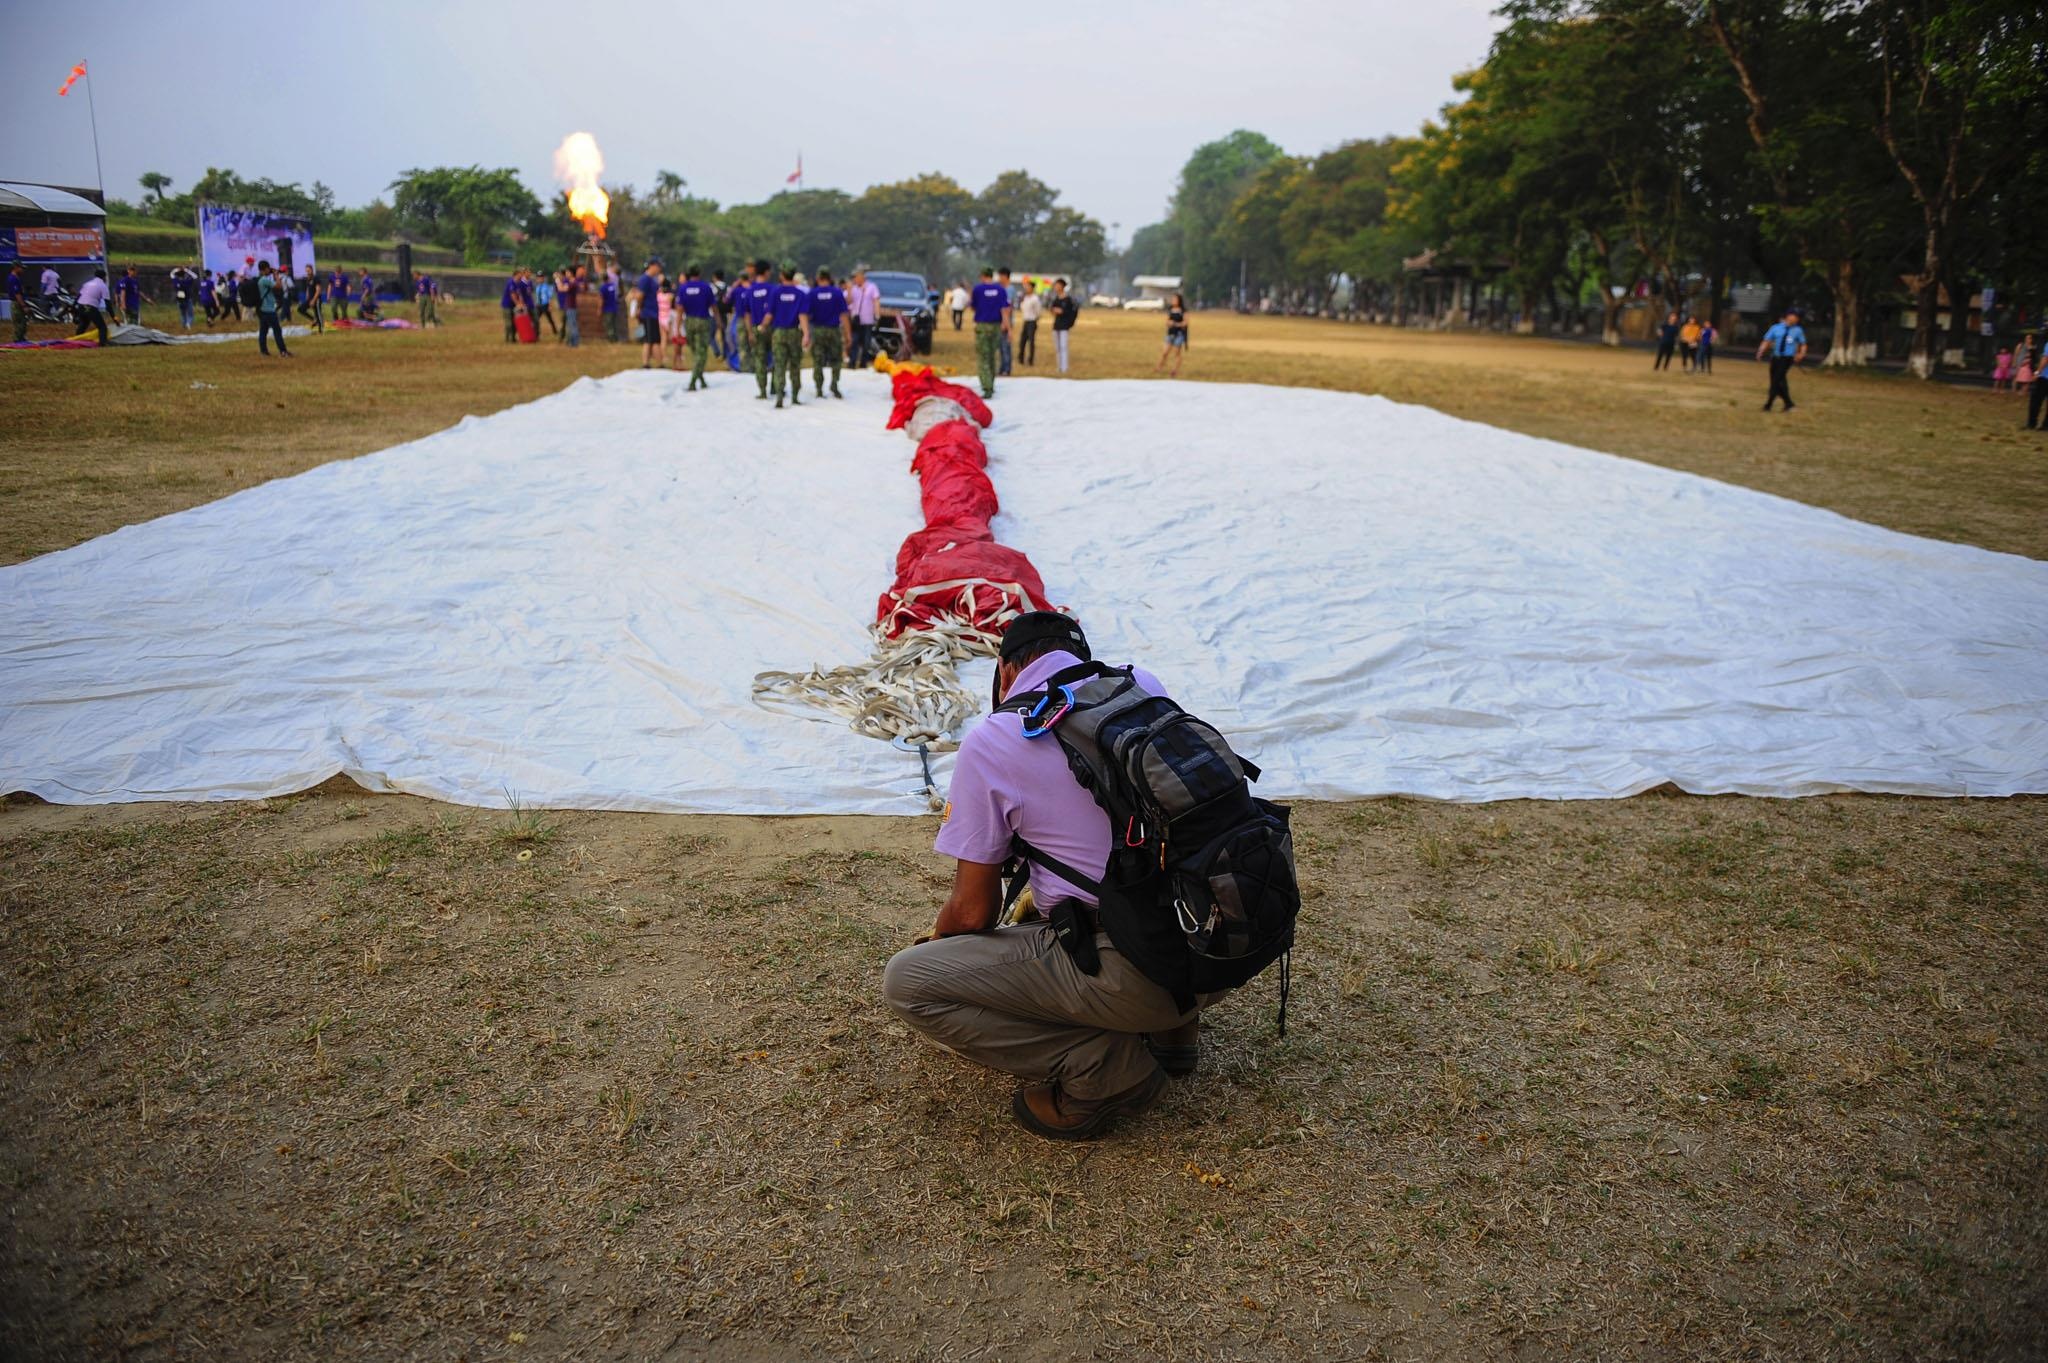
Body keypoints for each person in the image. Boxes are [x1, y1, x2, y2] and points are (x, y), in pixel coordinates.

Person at [882, 613, 1200, 1140]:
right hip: (1218, 941)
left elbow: (973, 912)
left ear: (1005, 673)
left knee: (910, 983)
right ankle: (1175, 1033)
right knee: (1131, 882)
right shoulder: (1142, 687)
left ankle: (1103, 1067)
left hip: (1136, 967)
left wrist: (939, 945)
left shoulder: (996, 739)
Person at [766, 263, 812, 408]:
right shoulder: (800, 294)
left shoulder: (775, 292)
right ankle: (795, 397)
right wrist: (806, 334)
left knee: (779, 365)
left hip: (779, 332)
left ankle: (779, 396)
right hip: (794, 333)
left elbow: (769, 314)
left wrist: (762, 326)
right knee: (795, 365)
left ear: (781, 275)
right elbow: (802, 315)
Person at [807, 266, 851, 398]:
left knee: (818, 360)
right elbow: (844, 315)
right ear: (829, 278)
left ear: (818, 278)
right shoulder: (837, 293)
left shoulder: (812, 293)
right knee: (836, 359)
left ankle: (819, 389)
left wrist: (806, 333)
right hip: (833, 330)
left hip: (818, 330)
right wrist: (848, 334)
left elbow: (807, 315)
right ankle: (834, 385)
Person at [969, 267, 1011, 399]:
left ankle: (987, 387)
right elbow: (1005, 309)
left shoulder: (978, 289)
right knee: (992, 356)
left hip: (982, 326)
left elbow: (973, 306)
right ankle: (991, 384)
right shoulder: (1000, 289)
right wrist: (1008, 327)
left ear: (982, 276)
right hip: (996, 326)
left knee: (983, 358)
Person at [1756, 307, 1807, 412]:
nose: (1796, 319)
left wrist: (1801, 354)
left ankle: (1768, 405)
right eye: (1794, 316)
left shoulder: (1798, 330)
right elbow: (1767, 340)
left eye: (1797, 317)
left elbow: (1803, 344)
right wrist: (1761, 351)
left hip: (1787, 359)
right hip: (1776, 358)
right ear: (1788, 316)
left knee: (1776, 382)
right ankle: (1789, 404)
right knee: (1780, 382)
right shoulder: (1776, 328)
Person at [746, 259, 776, 399]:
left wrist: (750, 332)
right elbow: (773, 311)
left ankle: (763, 391)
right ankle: (775, 387)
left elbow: (747, 314)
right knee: (776, 357)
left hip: (756, 327)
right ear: (766, 271)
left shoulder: (750, 290)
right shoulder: (772, 289)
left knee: (760, 359)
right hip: (772, 328)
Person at [254, 261, 292, 357]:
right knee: (277, 331)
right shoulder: (264, 280)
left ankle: (264, 351)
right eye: (268, 268)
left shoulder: (260, 280)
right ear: (265, 269)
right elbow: (279, 286)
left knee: (263, 331)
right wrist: (276, 275)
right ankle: (283, 351)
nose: (269, 270)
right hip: (269, 310)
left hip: (262, 309)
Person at [846, 265, 880, 369]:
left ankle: (863, 363)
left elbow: (876, 300)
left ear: (862, 277)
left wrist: (877, 314)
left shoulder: (871, 287)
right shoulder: (853, 288)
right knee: (854, 342)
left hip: (867, 320)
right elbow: (849, 301)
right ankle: (852, 362)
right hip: (856, 320)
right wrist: (849, 290)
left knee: (866, 343)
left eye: (856, 277)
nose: (854, 279)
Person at [632, 258, 664, 367]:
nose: (659, 269)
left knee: (655, 340)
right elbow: (640, 296)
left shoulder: (652, 279)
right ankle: (646, 363)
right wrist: (639, 308)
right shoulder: (645, 279)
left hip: (653, 313)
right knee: (649, 340)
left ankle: (659, 363)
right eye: (658, 266)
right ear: (652, 266)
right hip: (648, 313)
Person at [724, 264, 752, 373]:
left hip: (741, 319)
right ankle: (754, 365)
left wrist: (734, 286)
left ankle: (744, 366)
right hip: (754, 319)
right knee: (753, 343)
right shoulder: (752, 288)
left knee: (741, 344)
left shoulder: (736, 290)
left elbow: (726, 300)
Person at [1049, 277, 1078, 375]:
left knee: (1063, 346)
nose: (1055, 287)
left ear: (1062, 286)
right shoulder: (1056, 298)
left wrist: (1061, 312)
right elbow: (1052, 309)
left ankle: (1065, 367)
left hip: (1064, 326)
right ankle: (1059, 366)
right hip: (1056, 325)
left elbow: (1070, 312)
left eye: (1057, 285)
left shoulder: (1068, 299)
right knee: (1057, 348)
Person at [75, 268, 111, 344]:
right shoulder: (103, 286)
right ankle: (102, 344)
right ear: (104, 277)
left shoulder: (87, 283)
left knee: (83, 324)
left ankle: (76, 341)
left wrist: (73, 306)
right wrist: (113, 316)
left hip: (80, 305)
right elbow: (108, 303)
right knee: (102, 327)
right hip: (90, 307)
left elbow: (79, 296)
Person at [1156, 293, 1189, 376]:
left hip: (1179, 334)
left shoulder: (1183, 311)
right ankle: (1159, 367)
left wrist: (1176, 324)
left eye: (1175, 299)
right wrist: (1169, 323)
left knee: (1176, 353)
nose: (1173, 300)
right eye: (1173, 299)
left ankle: (1175, 370)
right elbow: (1167, 321)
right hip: (1170, 334)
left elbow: (1185, 323)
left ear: (1179, 300)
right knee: (1165, 352)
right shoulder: (1170, 309)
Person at [1016, 281, 1042, 367]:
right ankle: (1021, 358)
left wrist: (1035, 318)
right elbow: (1022, 308)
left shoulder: (1035, 298)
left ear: (1032, 288)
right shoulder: (1025, 298)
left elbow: (1038, 311)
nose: (1026, 288)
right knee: (1022, 341)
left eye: (1028, 286)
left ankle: (1030, 360)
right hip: (1026, 320)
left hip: (1032, 321)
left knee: (1031, 341)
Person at [996, 267, 1016, 375]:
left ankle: (1006, 369)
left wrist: (1005, 323)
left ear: (1005, 276)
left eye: (1000, 276)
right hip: (1000, 320)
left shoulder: (1009, 289)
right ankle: (1002, 367)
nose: (999, 279)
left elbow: (1008, 308)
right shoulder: (1001, 288)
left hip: (1006, 321)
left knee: (1005, 345)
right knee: (1001, 346)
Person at [169, 264, 198, 330]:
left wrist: (177, 269)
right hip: (187, 299)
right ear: (184, 275)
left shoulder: (176, 281)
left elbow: (171, 274)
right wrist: (186, 270)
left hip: (179, 300)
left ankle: (184, 326)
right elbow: (195, 276)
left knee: (182, 314)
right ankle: (188, 324)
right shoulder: (186, 281)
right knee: (190, 314)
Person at [558, 268, 582, 347]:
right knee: (571, 324)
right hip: (570, 306)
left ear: (571, 273)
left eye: (567, 272)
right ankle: (571, 342)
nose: (566, 274)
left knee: (572, 325)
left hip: (571, 307)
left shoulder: (573, 283)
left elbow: (561, 289)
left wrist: (557, 280)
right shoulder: (571, 282)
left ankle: (575, 343)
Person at [708, 269, 729, 359]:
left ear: (714, 277)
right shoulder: (727, 287)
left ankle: (717, 352)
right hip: (724, 313)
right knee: (724, 335)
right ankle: (725, 354)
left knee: (711, 335)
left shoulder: (712, 287)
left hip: (714, 314)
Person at [501, 268, 524, 342]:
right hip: (507, 306)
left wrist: (521, 303)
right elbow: (513, 295)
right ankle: (508, 339)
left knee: (514, 323)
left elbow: (519, 294)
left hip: (514, 306)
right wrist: (518, 304)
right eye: (521, 274)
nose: (522, 275)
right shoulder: (511, 282)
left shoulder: (518, 283)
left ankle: (513, 338)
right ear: (516, 274)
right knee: (509, 323)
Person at [599, 268, 620, 342]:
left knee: (609, 325)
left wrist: (599, 309)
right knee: (614, 324)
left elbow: (601, 300)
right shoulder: (613, 286)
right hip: (614, 308)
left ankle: (611, 339)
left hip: (607, 309)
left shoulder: (603, 287)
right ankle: (615, 338)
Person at [6, 263, 25, 343]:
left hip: (17, 302)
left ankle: (21, 339)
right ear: (16, 267)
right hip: (16, 303)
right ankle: (17, 341)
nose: (22, 270)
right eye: (21, 268)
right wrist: (23, 305)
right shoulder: (13, 279)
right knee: (18, 322)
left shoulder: (15, 278)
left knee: (22, 322)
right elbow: (17, 294)